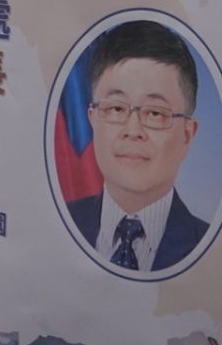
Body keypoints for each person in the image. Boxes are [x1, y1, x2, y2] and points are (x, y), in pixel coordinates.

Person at [67, 20, 212, 273]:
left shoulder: (212, 250)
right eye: (116, 109)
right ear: (92, 119)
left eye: (155, 113)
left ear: (187, 135)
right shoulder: (57, 223)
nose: (133, 131)